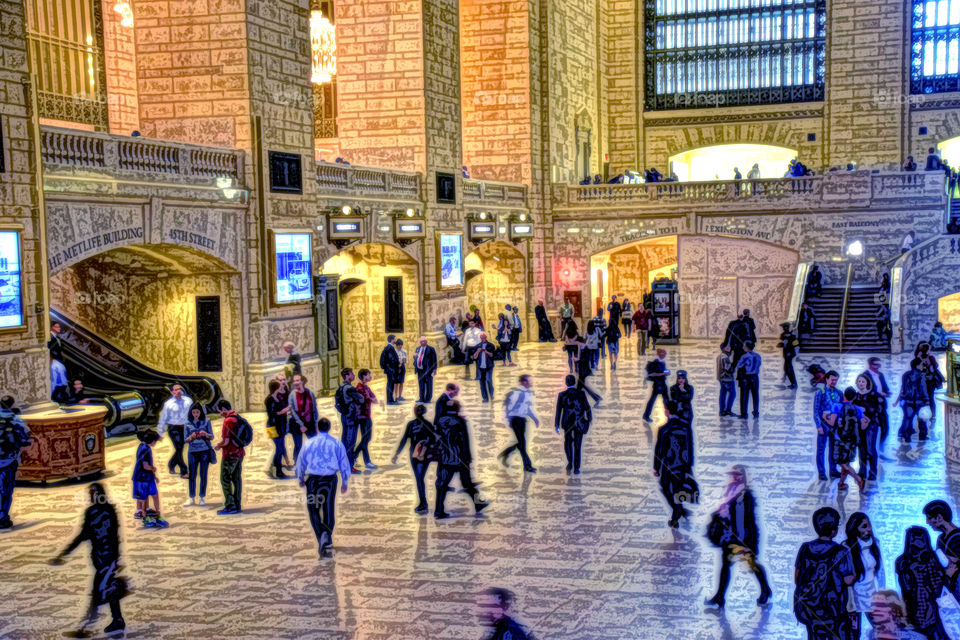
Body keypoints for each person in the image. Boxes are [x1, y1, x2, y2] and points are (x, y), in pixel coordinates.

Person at [49, 483, 127, 638]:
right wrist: (64, 553)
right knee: (107, 589)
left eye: (92, 494)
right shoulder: (105, 510)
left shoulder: (96, 512)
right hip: (105, 558)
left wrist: (63, 554)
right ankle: (117, 619)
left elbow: (99, 535)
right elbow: (103, 535)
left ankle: (84, 628)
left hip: (106, 559)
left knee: (98, 593)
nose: (90, 496)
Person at [705, 465, 772, 608]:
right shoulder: (730, 490)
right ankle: (720, 596)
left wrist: (744, 543)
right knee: (725, 567)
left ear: (743, 477)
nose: (734, 477)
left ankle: (765, 589)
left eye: (738, 475)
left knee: (752, 565)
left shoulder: (745, 496)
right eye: (733, 474)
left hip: (742, 539)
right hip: (730, 537)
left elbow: (745, 520)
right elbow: (725, 512)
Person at [794, 507, 856, 640]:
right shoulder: (841, 551)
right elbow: (848, 580)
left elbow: (797, 578)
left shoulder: (805, 548)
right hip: (832, 608)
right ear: (833, 530)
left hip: (808, 608)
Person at [295, 417, 350, 558]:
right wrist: (344, 481)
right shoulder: (336, 443)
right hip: (330, 479)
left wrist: (300, 478)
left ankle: (321, 536)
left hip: (313, 479)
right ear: (329, 428)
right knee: (328, 508)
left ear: (317, 428)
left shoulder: (309, 443)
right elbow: (344, 463)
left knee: (313, 509)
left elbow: (300, 462)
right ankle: (326, 535)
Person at [434, 400, 488, 519]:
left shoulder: (440, 421)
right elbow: (464, 441)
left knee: (442, 485)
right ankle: (478, 503)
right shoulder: (460, 422)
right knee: (467, 483)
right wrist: (468, 458)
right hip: (460, 458)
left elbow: (437, 438)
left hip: (445, 458)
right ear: (457, 409)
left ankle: (438, 510)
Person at [895, 527, 950, 639]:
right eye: (915, 539)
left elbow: (936, 586)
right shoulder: (904, 562)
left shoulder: (929, 559)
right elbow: (905, 587)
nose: (918, 542)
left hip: (925, 607)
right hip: (915, 607)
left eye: (920, 539)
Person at [653, 400, 695, 528]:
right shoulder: (685, 426)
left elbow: (659, 450)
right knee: (677, 489)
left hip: (669, 465)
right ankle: (679, 510)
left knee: (665, 487)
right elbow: (690, 445)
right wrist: (689, 464)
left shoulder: (664, 429)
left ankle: (677, 512)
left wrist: (656, 467)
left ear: (667, 411)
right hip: (682, 464)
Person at [844, 513, 886, 639]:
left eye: (869, 525)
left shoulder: (875, 544)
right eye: (864, 526)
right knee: (854, 632)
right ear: (855, 528)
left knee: (880, 629)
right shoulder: (846, 547)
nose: (869, 529)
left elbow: (881, 572)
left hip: (871, 594)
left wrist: (882, 593)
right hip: (853, 597)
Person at [392, 404, 439, 513]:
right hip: (416, 454)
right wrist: (397, 453)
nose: (417, 412)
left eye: (418, 411)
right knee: (419, 478)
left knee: (419, 478)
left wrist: (397, 454)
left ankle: (423, 503)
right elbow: (404, 439)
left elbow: (433, 438)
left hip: (421, 455)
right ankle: (423, 502)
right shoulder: (418, 424)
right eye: (417, 410)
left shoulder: (418, 424)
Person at [499, 374, 540, 473]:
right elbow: (509, 407)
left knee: (521, 443)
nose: (531, 383)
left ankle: (506, 453)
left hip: (522, 420)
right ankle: (527, 466)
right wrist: (509, 420)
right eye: (529, 381)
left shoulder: (528, 393)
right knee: (522, 444)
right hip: (516, 420)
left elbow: (527, 408)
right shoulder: (517, 393)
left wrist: (534, 418)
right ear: (524, 382)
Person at [0, 402, 30, 529]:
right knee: (6, 490)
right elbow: (26, 440)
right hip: (9, 460)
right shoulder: (16, 420)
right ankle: (2, 518)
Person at [555, 374, 592, 475]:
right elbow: (587, 407)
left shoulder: (562, 395)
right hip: (579, 423)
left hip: (567, 423)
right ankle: (577, 468)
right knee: (577, 445)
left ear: (566, 383)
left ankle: (570, 463)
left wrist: (557, 425)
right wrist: (589, 419)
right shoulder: (581, 394)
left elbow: (558, 411)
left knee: (567, 443)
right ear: (574, 382)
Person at [833, 388, 867, 492]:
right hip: (852, 440)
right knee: (846, 463)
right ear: (854, 397)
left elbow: (832, 422)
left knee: (840, 461)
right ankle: (841, 483)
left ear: (844, 395)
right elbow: (863, 425)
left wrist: (825, 418)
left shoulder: (837, 406)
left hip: (840, 438)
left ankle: (859, 479)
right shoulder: (858, 409)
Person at [213, 399, 244, 515]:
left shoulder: (227, 421)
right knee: (236, 479)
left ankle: (230, 506)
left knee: (225, 480)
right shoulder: (237, 417)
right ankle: (237, 504)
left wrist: (218, 446)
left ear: (223, 409)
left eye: (220, 411)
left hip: (230, 455)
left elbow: (226, 442)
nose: (220, 414)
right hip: (239, 453)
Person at [132, 430, 167, 528]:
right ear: (152, 441)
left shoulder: (145, 447)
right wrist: (153, 469)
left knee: (152, 495)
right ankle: (144, 516)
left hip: (147, 477)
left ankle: (155, 514)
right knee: (143, 497)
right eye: (155, 441)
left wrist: (154, 475)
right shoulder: (145, 449)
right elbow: (146, 465)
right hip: (141, 478)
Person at [157, 383, 192, 479]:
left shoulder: (188, 401)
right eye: (176, 390)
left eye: (179, 389)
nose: (179, 391)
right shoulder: (168, 404)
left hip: (185, 428)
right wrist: (160, 432)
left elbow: (192, 414)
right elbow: (163, 418)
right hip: (174, 428)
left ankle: (171, 464)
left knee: (180, 449)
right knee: (179, 447)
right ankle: (184, 471)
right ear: (172, 392)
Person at [814, 370, 843, 480]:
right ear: (826, 379)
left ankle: (833, 470)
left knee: (833, 448)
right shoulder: (820, 392)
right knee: (821, 449)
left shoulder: (839, 393)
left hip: (834, 425)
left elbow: (841, 409)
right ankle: (821, 472)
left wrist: (840, 422)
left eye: (836, 380)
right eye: (832, 380)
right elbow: (816, 411)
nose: (834, 382)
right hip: (823, 424)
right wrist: (818, 426)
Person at [183, 403, 214, 505]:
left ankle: (202, 497)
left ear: (201, 412)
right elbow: (185, 439)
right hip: (192, 451)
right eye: (193, 412)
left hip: (204, 451)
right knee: (192, 475)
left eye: (197, 412)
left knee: (203, 474)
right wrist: (191, 437)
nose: (195, 414)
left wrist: (205, 434)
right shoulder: (187, 423)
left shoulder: (207, 421)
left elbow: (212, 436)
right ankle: (191, 497)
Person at [334, 368, 364, 471]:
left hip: (344, 416)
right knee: (350, 442)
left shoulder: (341, 387)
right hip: (351, 417)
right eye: (352, 374)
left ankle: (342, 464)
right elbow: (361, 399)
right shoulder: (350, 388)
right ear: (347, 376)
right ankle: (349, 466)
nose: (354, 375)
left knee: (345, 440)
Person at [854, 374, 882, 483]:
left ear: (867, 383)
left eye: (863, 381)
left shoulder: (873, 395)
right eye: (859, 381)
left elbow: (878, 409)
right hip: (860, 425)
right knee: (861, 448)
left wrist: (865, 410)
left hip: (871, 425)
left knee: (870, 448)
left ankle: (873, 472)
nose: (860, 383)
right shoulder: (855, 396)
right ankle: (862, 471)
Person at [896, 358, 930, 443]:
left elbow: (903, 387)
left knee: (907, 419)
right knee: (922, 419)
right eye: (921, 364)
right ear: (917, 365)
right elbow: (923, 388)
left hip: (908, 401)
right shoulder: (921, 375)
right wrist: (927, 399)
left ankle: (906, 437)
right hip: (919, 401)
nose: (923, 366)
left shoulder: (906, 375)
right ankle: (922, 436)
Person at [354, 369, 382, 471]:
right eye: (369, 375)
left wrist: (372, 399)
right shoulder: (359, 388)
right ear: (364, 376)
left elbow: (373, 397)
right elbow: (368, 399)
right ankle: (366, 461)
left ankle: (354, 456)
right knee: (365, 439)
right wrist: (372, 399)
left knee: (366, 438)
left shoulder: (366, 387)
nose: (370, 376)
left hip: (367, 415)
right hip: (362, 416)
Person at [863, 357, 893, 445]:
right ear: (870, 365)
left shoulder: (880, 374)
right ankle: (871, 445)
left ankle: (881, 444)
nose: (878, 367)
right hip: (871, 405)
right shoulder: (865, 375)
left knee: (885, 426)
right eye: (875, 365)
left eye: (879, 365)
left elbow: (884, 386)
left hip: (881, 404)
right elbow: (865, 390)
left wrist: (887, 392)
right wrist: (879, 394)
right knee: (871, 427)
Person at [288, 374, 318, 458]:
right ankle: (297, 462)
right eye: (294, 381)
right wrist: (301, 425)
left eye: (297, 380)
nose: (295, 383)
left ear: (303, 381)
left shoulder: (309, 392)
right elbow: (292, 411)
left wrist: (316, 424)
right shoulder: (292, 395)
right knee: (298, 446)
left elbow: (314, 409)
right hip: (297, 424)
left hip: (310, 422)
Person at [264, 380, 290, 480]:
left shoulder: (277, 397)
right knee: (279, 448)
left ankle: (274, 468)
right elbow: (271, 413)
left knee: (279, 448)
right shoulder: (269, 399)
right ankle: (278, 471)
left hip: (280, 425)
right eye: (279, 386)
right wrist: (281, 412)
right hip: (272, 426)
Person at [573, 334, 603, 405]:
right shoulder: (583, 348)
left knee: (581, 387)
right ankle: (596, 398)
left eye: (577, 343)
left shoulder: (586, 349)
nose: (577, 344)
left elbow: (584, 360)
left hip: (584, 371)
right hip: (582, 371)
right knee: (581, 387)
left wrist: (577, 360)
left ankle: (596, 398)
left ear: (580, 342)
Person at [643, 348, 670, 422]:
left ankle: (669, 415)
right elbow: (651, 374)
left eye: (664, 353)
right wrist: (662, 374)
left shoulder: (663, 362)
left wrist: (667, 372)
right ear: (659, 354)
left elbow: (664, 371)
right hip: (657, 384)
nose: (664, 354)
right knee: (655, 400)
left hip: (662, 383)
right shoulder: (655, 363)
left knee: (665, 401)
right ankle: (646, 415)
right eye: (662, 353)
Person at [736, 342, 761, 418]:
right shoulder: (758, 356)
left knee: (744, 395)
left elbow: (739, 365)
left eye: (744, 346)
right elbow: (759, 364)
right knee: (755, 395)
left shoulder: (744, 356)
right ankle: (756, 412)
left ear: (747, 347)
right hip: (755, 377)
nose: (743, 347)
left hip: (747, 377)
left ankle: (744, 414)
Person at [413, 336, 438, 403]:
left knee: (429, 384)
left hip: (428, 369)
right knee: (421, 384)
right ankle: (421, 398)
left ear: (426, 341)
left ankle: (428, 399)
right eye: (421, 341)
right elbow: (417, 358)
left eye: (424, 341)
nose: (422, 342)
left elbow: (434, 359)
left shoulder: (431, 349)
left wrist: (434, 369)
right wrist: (414, 356)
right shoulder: (418, 349)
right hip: (420, 370)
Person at [473, 333, 496, 402]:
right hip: (481, 367)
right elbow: (474, 357)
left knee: (489, 380)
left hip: (489, 366)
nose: (483, 339)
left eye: (484, 337)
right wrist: (478, 351)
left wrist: (486, 352)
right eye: (481, 338)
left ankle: (491, 395)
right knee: (482, 383)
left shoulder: (491, 345)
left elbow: (492, 355)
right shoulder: (478, 346)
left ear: (486, 337)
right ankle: (485, 398)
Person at [380, 335, 401, 404]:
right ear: (392, 339)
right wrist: (398, 362)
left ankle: (391, 400)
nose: (396, 340)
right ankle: (390, 400)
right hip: (391, 369)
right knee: (390, 385)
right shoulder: (390, 348)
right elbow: (391, 359)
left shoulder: (389, 347)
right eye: (395, 339)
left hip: (390, 369)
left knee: (390, 384)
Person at [716, 345, 736, 417]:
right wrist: (734, 366)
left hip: (721, 378)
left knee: (723, 394)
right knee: (732, 394)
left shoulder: (719, 356)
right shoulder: (725, 357)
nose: (729, 348)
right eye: (727, 347)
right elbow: (729, 369)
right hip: (727, 379)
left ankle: (722, 411)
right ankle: (728, 410)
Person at [779, 322, 799, 388]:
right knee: (786, 369)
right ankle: (792, 382)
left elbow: (796, 344)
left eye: (785, 327)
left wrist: (790, 350)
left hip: (790, 354)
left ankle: (793, 383)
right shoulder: (783, 335)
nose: (783, 329)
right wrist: (782, 344)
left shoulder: (792, 336)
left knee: (789, 369)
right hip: (786, 354)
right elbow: (784, 343)